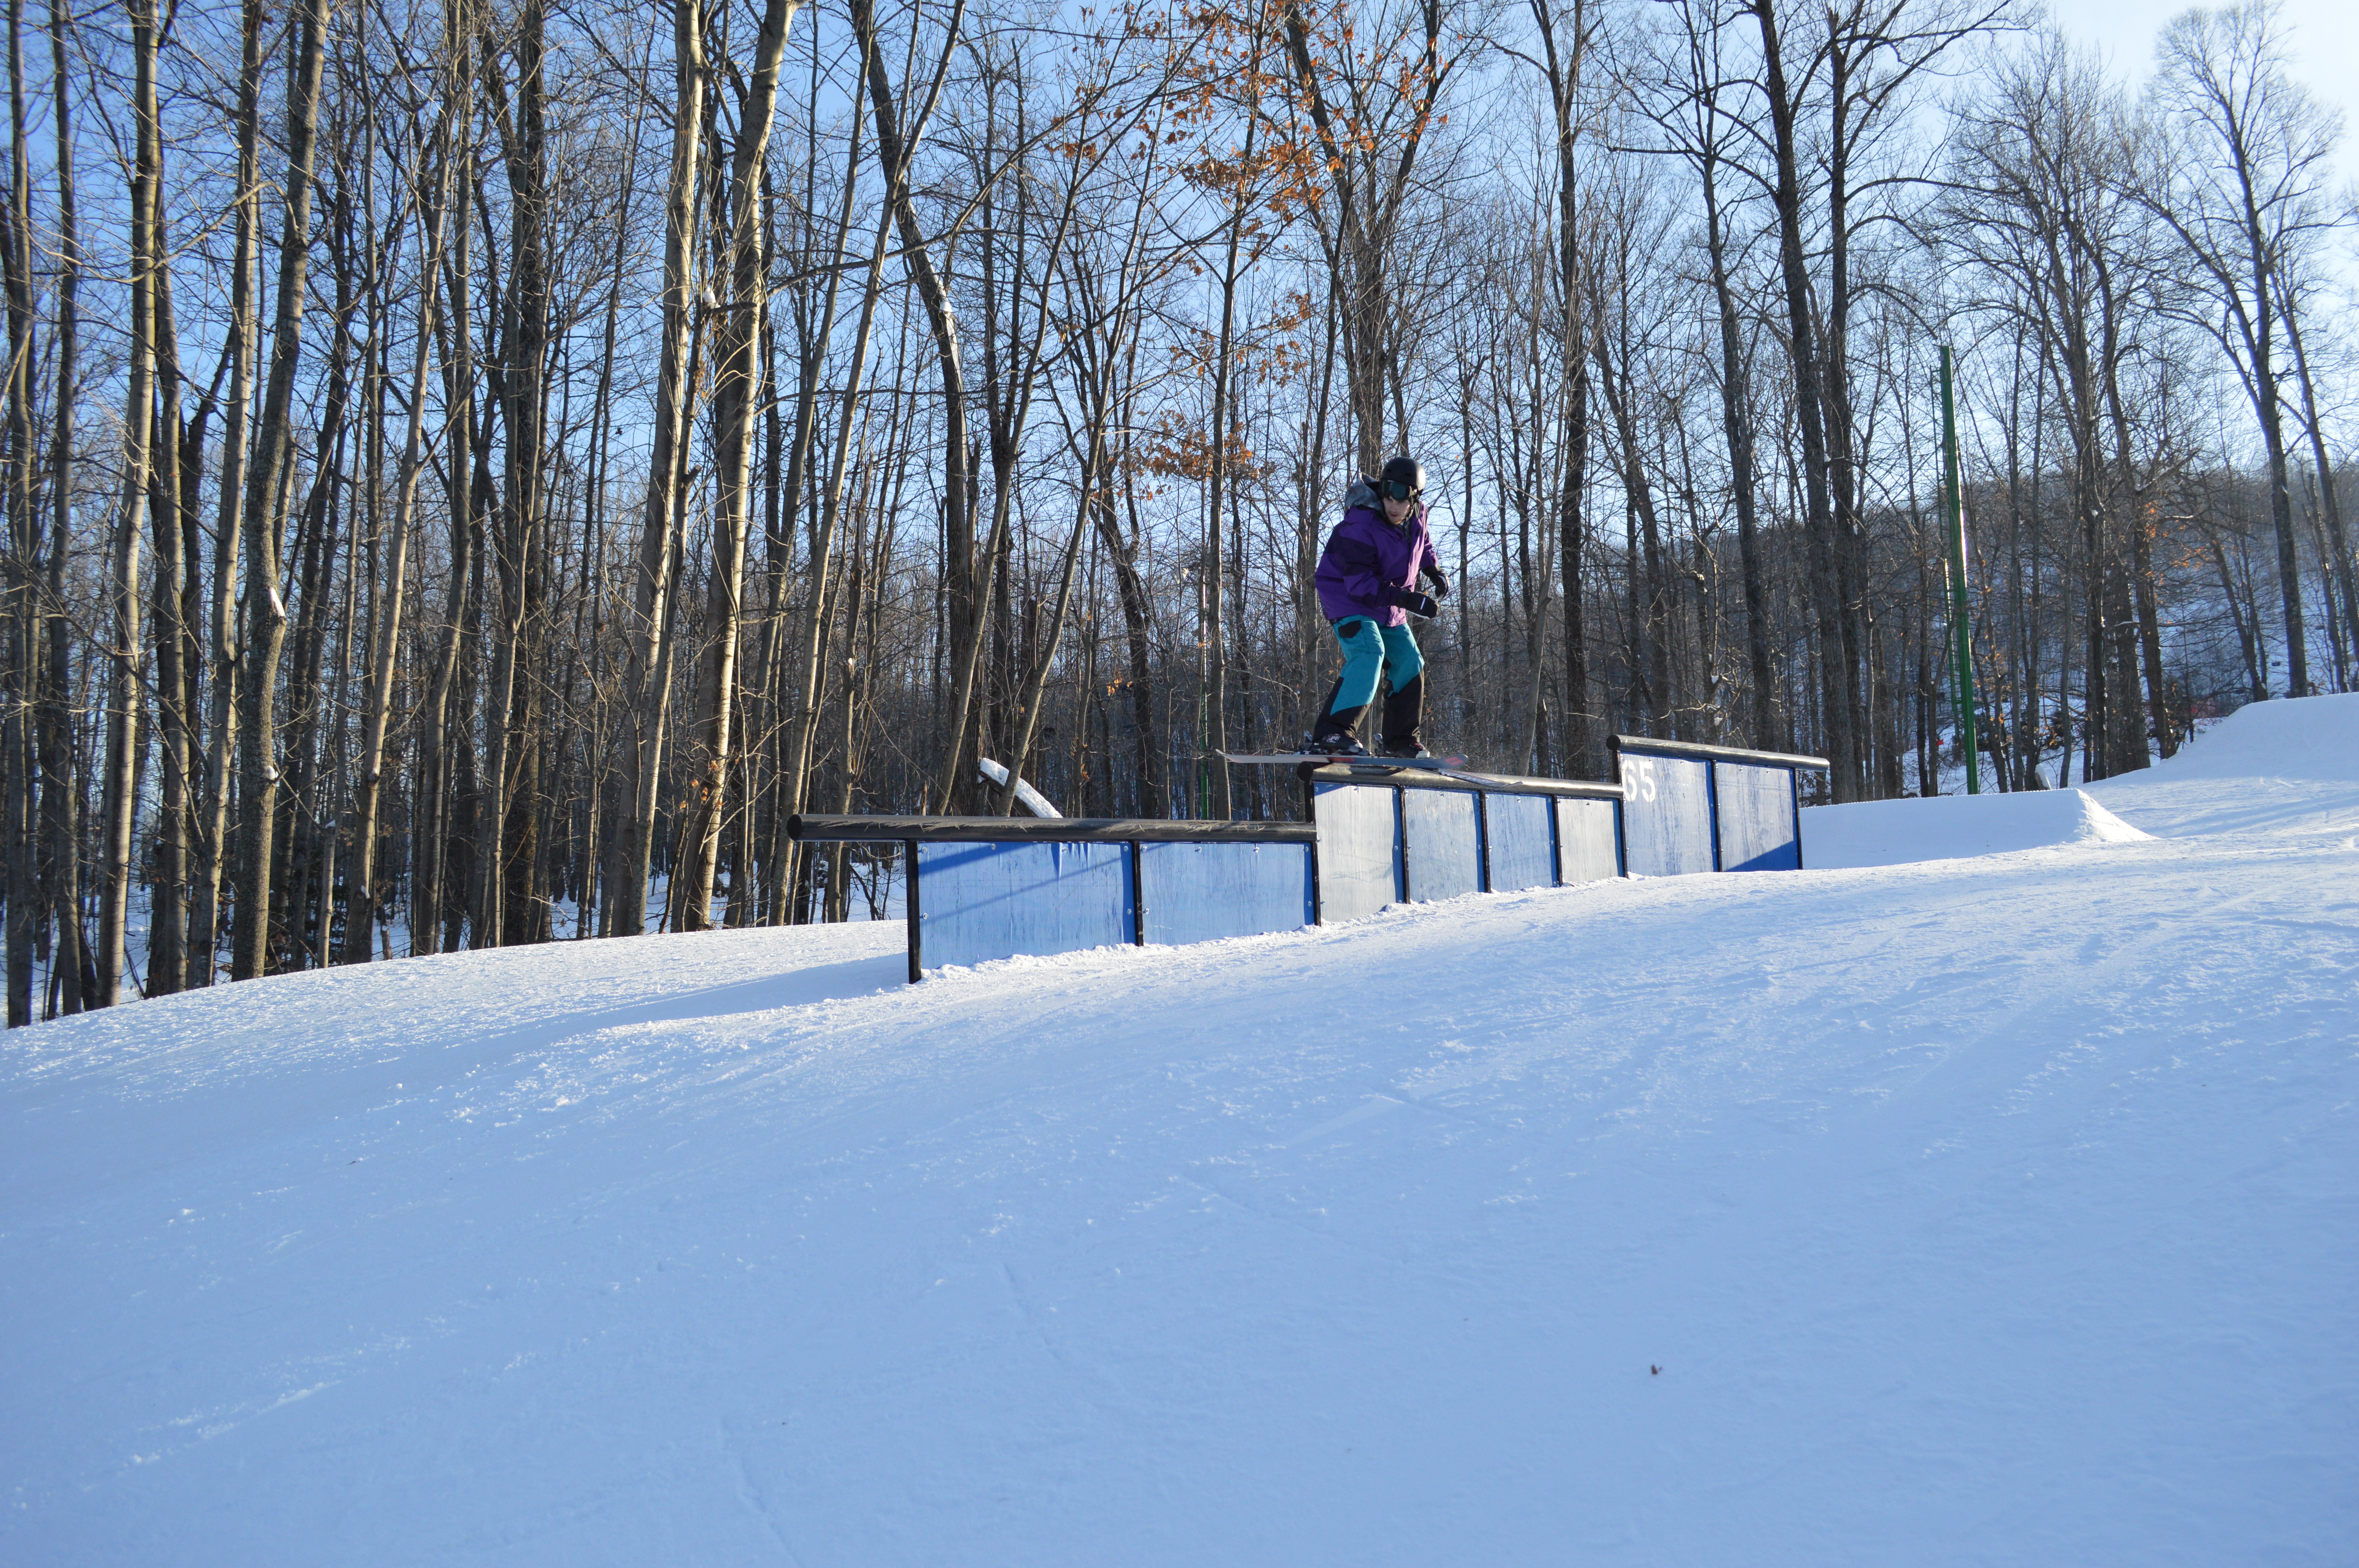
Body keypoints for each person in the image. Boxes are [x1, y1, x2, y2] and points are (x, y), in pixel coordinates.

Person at [1305, 455, 1449, 757]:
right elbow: (1359, 584)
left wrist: (1433, 570)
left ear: (1414, 499)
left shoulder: (1417, 517)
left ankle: (1400, 741)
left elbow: (1423, 544)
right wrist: (1408, 599)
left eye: (1401, 498)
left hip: (1388, 606)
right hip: (1348, 599)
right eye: (1387, 495)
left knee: (1410, 661)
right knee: (1371, 652)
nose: (1392, 505)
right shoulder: (1359, 525)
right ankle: (1332, 733)